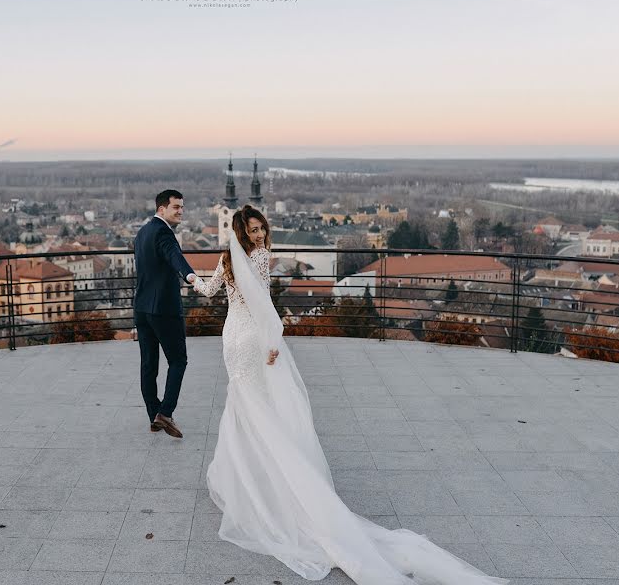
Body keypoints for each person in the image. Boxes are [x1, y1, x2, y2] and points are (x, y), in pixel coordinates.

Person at [192, 205, 506, 584]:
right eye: (253, 230)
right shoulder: (258, 257)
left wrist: (192, 278)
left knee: (246, 406)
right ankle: (265, 478)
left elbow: (210, 291)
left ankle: (246, 479)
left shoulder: (228, 257)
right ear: (243, 232)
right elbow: (264, 303)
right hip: (252, 339)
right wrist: (273, 340)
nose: (259, 236)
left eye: (261, 229)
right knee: (259, 408)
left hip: (234, 339)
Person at [132, 189, 197, 438]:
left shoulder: (142, 232)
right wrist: (190, 275)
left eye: (182, 207)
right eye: (176, 207)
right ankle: (165, 413)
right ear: (162, 209)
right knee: (178, 360)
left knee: (149, 365)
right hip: (164, 310)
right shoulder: (163, 233)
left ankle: (153, 416)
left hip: (142, 308)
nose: (181, 211)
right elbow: (174, 256)